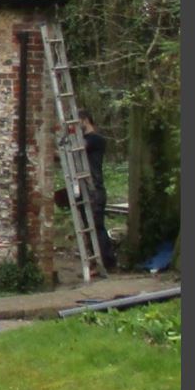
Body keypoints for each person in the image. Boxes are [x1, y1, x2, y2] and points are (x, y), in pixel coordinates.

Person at [80, 110, 116, 270]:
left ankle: (106, 262)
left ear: (85, 120)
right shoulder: (86, 140)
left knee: (96, 226)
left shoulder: (96, 139)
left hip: (95, 189)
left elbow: (81, 148)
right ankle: (97, 262)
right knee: (89, 227)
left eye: (77, 122)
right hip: (86, 189)